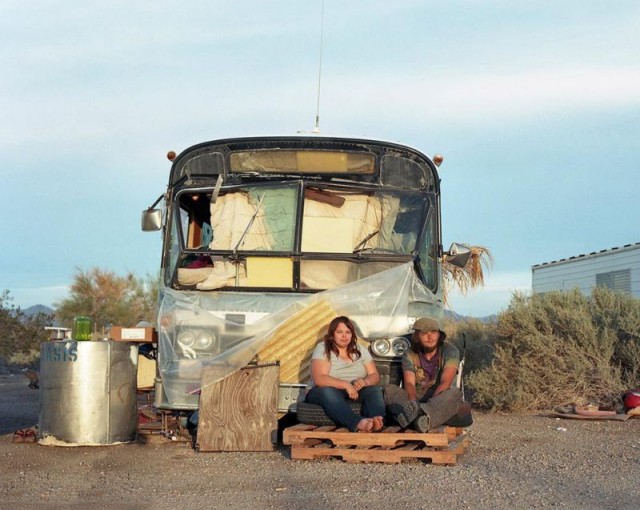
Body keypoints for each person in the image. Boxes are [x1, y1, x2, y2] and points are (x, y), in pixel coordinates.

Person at [384, 317, 472, 432]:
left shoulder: (450, 351)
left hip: (439, 398)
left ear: (439, 335)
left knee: (455, 393)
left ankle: (420, 418)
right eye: (424, 333)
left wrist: (429, 407)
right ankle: (419, 420)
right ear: (417, 336)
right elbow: (409, 383)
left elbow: (445, 382)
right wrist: (413, 405)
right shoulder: (410, 354)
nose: (430, 337)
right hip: (416, 398)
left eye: (434, 332)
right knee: (390, 390)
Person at [305, 316, 386, 432]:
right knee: (328, 391)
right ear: (332, 334)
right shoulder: (323, 348)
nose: (344, 336)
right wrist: (346, 385)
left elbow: (374, 374)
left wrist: (365, 381)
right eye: (340, 332)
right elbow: (319, 379)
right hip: (324, 391)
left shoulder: (360, 349)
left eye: (348, 332)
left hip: (354, 391)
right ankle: (357, 422)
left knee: (374, 390)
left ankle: (375, 420)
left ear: (352, 335)